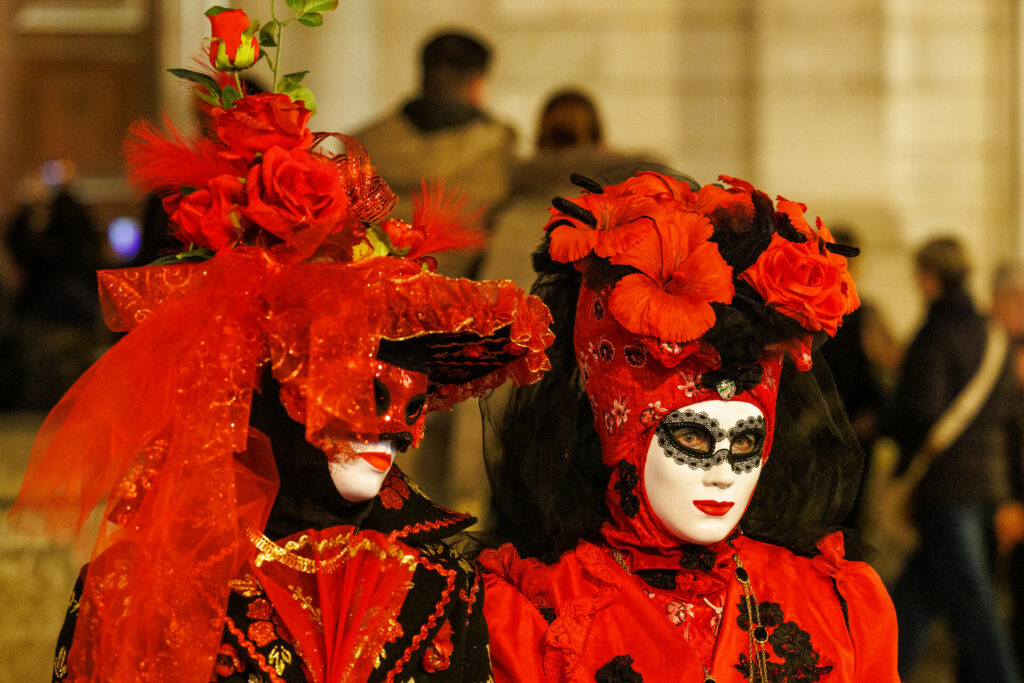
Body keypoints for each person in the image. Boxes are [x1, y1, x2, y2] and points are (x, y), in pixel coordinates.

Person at [9, 6, 553, 682]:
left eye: (410, 401)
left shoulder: (445, 587)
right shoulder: (138, 590)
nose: (388, 430)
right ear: (267, 380)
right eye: (355, 391)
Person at [479, 171, 899, 681]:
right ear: (624, 437)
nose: (722, 475)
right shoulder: (536, 613)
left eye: (745, 443)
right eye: (694, 438)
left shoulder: (835, 605)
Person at [883, 237, 1024, 682]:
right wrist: (1012, 491)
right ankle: (879, 670)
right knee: (918, 594)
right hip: (987, 483)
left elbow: (921, 411)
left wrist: (885, 419)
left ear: (929, 278)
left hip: (946, 486)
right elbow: (1012, 417)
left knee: (974, 605)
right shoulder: (993, 335)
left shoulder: (936, 334)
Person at [353, 30, 515, 280]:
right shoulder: (497, 148)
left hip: (367, 286)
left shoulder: (361, 145)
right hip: (459, 293)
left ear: (423, 74)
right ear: (478, 83)